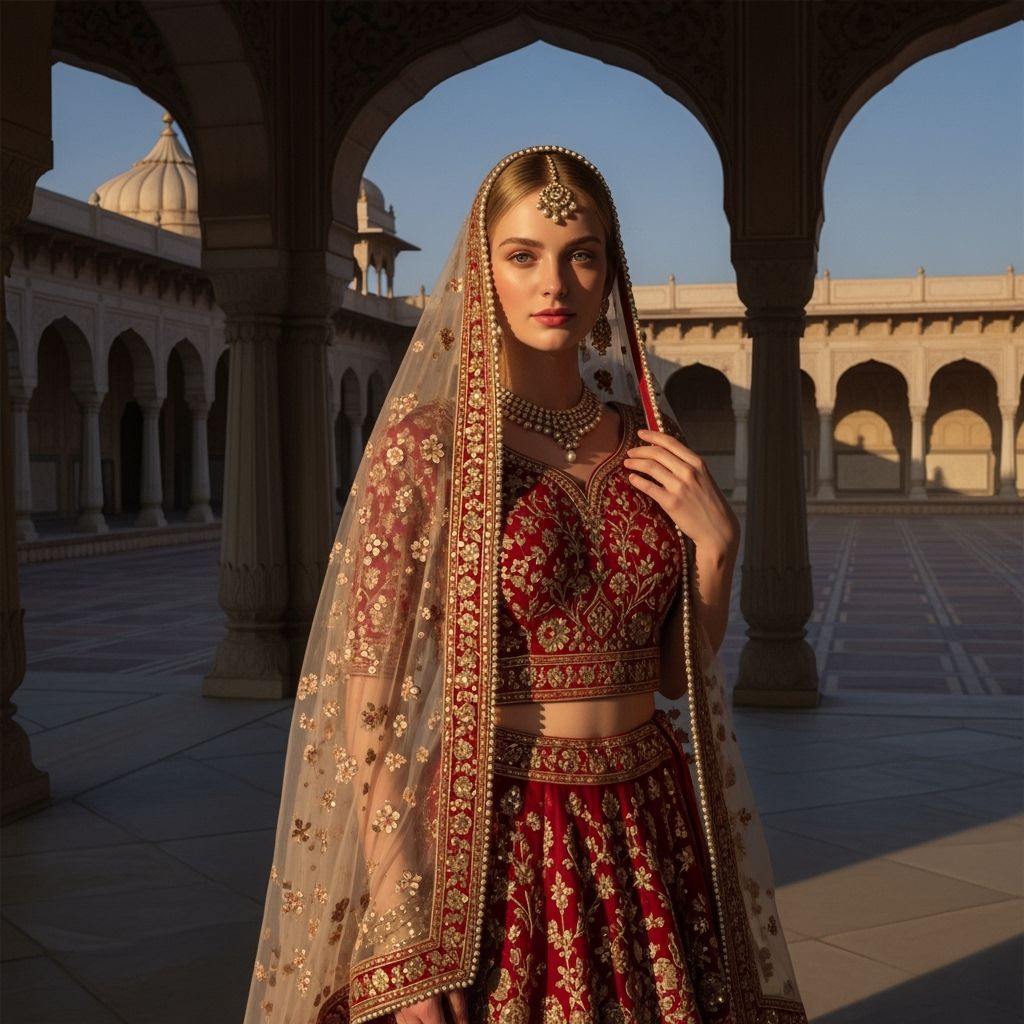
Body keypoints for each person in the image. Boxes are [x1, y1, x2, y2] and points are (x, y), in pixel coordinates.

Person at [243, 146, 808, 1024]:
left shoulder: (651, 448)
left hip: (649, 819)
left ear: (608, 271)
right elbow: (373, 712)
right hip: (500, 830)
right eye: (524, 255)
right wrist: (404, 931)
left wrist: (717, 550)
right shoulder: (430, 449)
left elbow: (670, 677)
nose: (557, 282)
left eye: (582, 253)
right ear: (482, 271)